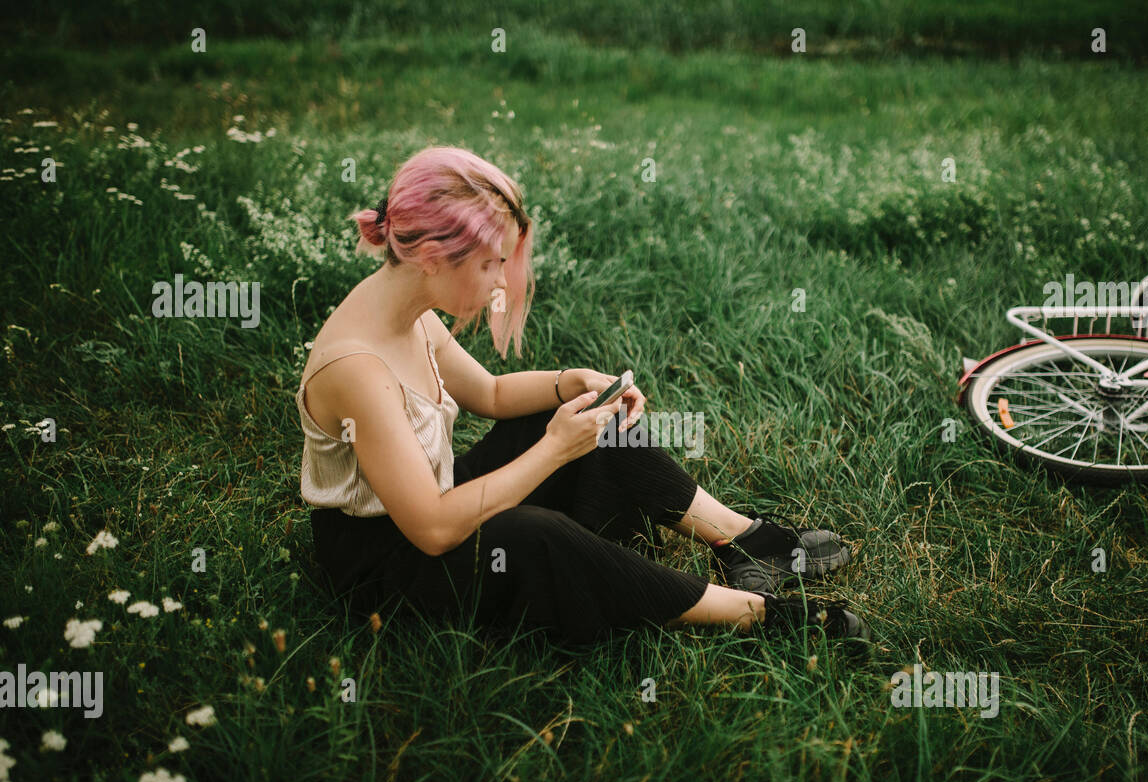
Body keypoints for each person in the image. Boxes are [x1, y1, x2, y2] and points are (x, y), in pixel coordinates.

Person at [296, 145, 864, 651]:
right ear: (432, 256)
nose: (501, 282)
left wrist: (569, 383)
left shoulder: (408, 311)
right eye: (491, 263)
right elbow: (433, 530)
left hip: (432, 506)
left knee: (569, 417)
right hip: (390, 571)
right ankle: (754, 614)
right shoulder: (358, 370)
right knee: (532, 533)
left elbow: (489, 393)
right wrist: (552, 451)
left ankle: (745, 541)